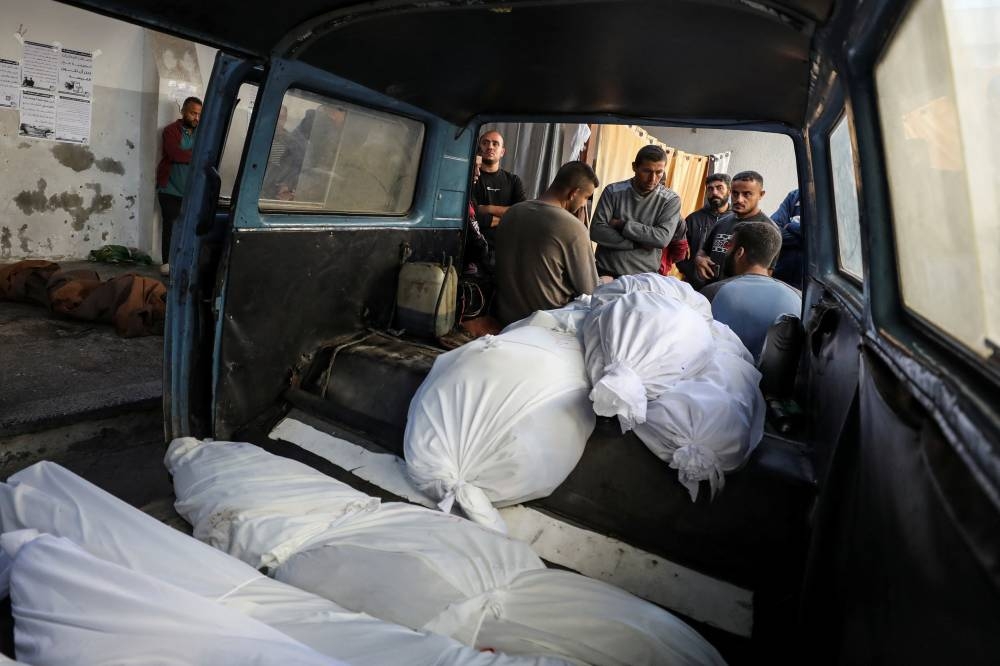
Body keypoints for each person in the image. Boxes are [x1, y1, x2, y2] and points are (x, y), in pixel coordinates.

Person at [494, 161, 600, 325]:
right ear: (573, 193)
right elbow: (590, 291)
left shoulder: (512, 212)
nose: (584, 204)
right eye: (586, 197)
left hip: (505, 320)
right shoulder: (573, 228)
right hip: (546, 324)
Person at [701, 221, 802, 361]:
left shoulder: (712, 293)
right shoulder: (799, 299)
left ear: (740, 253)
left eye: (729, 245)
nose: (725, 250)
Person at [590, 145, 683, 278]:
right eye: (647, 171)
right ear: (634, 167)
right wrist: (636, 242)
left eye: (659, 172)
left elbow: (662, 238)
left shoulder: (671, 200)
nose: (652, 179)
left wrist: (622, 225)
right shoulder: (613, 191)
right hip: (606, 272)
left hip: (644, 277)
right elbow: (597, 231)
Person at [693, 170, 775, 288]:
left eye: (747, 194)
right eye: (735, 193)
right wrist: (699, 259)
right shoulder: (722, 222)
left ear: (761, 195)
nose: (739, 199)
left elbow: (766, 277)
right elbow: (704, 251)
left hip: (739, 296)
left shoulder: (768, 231)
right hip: (710, 292)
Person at [155, 96, 201, 276]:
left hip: (192, 192)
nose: (196, 118)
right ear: (183, 111)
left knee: (189, 229)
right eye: (193, 113)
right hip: (170, 189)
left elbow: (208, 155)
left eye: (199, 114)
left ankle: (185, 264)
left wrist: (189, 154)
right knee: (171, 228)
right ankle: (168, 264)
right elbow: (175, 154)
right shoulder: (170, 130)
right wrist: (196, 156)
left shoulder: (202, 132)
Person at [676, 173, 732, 289]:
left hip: (726, 286)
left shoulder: (736, 220)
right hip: (695, 286)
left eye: (719, 188)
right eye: (710, 189)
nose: (714, 192)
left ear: (729, 191)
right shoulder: (693, 219)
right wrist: (690, 271)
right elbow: (678, 249)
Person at [470, 130, 527, 245]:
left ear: (502, 152)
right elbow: (472, 217)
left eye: (495, 144)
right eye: (485, 143)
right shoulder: (471, 179)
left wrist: (487, 208)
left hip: (504, 247)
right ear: (479, 149)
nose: (490, 147)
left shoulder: (513, 180)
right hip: (473, 246)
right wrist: (507, 218)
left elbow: (522, 213)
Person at [770, 188, 803, 288]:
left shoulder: (831, 199)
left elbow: (818, 236)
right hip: (780, 277)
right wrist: (803, 240)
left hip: (808, 282)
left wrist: (790, 226)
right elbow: (772, 229)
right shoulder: (794, 196)